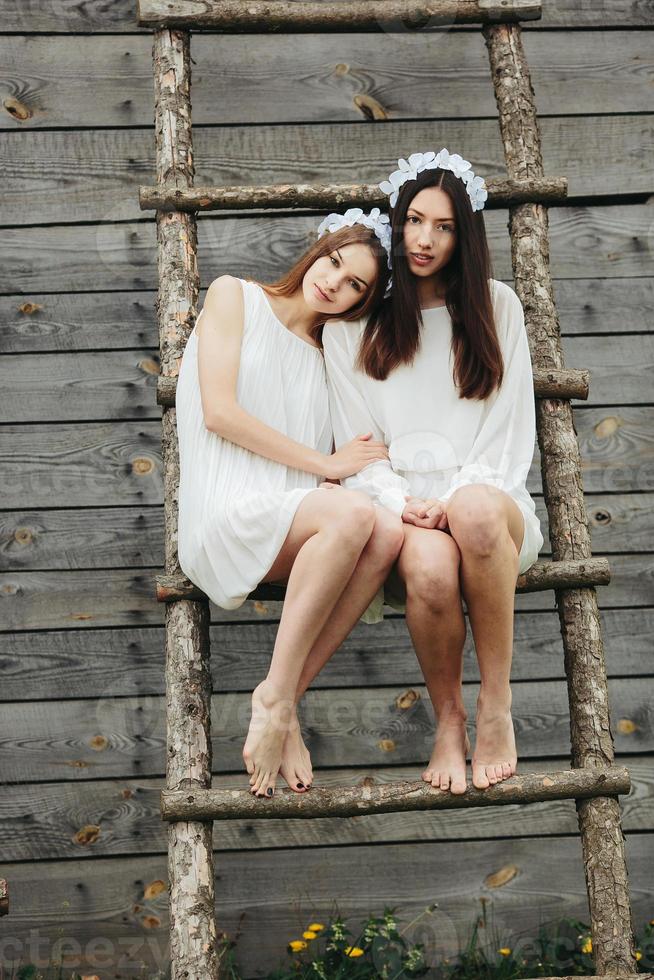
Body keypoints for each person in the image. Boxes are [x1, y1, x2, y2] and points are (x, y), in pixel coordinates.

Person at [296, 149, 544, 796]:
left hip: (492, 497)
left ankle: (495, 704)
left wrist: (458, 495)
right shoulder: (356, 326)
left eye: (443, 225)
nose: (425, 239)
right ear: (397, 224)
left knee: (476, 512)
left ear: (465, 233)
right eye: (413, 221)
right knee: (431, 568)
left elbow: (509, 430)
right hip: (400, 506)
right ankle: (449, 720)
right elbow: (359, 442)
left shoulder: (499, 308)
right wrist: (403, 502)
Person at [175, 209, 404, 799]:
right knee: (353, 513)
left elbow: (364, 450)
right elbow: (219, 413)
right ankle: (279, 699)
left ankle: (282, 699)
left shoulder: (332, 358)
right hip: (225, 513)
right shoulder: (234, 297)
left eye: (355, 284)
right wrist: (326, 466)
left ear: (363, 300)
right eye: (334, 262)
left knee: (386, 531)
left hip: (289, 517)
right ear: (319, 249)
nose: (333, 283)